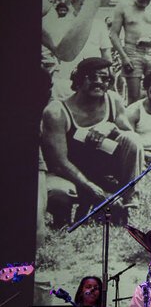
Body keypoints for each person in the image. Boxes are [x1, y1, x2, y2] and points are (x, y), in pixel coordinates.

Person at [41, 57, 144, 228]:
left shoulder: (112, 99)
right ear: (79, 79)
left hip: (101, 172)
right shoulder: (57, 111)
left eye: (104, 78)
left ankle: (129, 203)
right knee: (59, 194)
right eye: (92, 77)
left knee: (132, 140)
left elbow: (131, 137)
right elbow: (59, 163)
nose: (98, 82)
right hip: (68, 175)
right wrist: (89, 187)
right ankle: (63, 219)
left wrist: (110, 127)